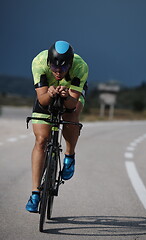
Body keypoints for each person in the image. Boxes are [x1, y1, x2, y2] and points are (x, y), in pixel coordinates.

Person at [26, 40, 89, 212]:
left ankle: (70, 155)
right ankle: (34, 194)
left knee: (72, 113)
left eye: (63, 68)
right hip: (47, 92)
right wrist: (51, 93)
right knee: (41, 140)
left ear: (70, 64)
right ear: (48, 62)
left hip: (71, 94)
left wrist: (65, 96)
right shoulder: (39, 62)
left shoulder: (80, 66)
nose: (58, 72)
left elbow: (71, 104)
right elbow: (42, 100)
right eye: (54, 67)